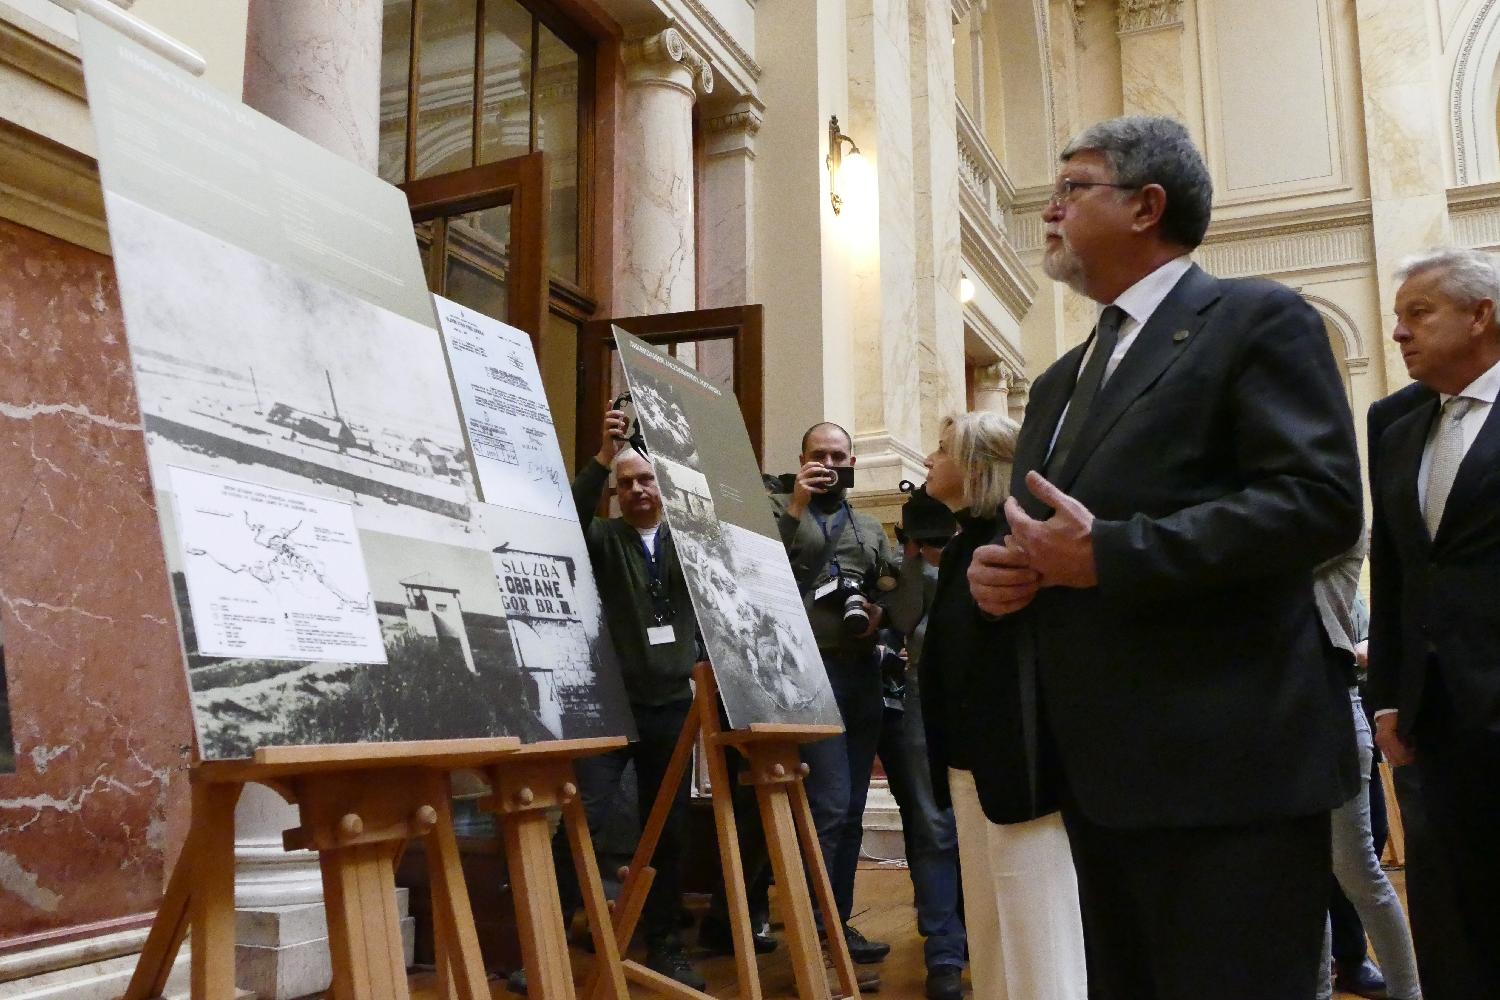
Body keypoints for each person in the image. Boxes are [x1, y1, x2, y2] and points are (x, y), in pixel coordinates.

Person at [967, 115, 1363, 999]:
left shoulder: (1256, 320)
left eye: (1072, 189)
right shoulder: (1060, 379)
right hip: (1102, 772)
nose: (1049, 210)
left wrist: (1114, 554)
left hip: (1230, 770)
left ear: (1147, 206)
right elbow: (1048, 532)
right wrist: (1003, 570)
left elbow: (1320, 504)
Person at [515, 408, 705, 993]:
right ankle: (542, 947)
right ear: (615, 493)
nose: (637, 490)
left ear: (662, 486)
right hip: (609, 705)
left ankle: (665, 944)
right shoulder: (601, 538)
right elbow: (565, 517)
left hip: (671, 706)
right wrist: (603, 456)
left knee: (668, 828)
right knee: (580, 819)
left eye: (646, 479)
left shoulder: (688, 543)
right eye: (625, 484)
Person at [917, 411, 1086, 1000]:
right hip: (971, 763)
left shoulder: (1015, 543)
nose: (929, 459)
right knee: (989, 931)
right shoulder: (961, 546)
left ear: (977, 464)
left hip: (1022, 768)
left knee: (1039, 934)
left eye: (942, 449)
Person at [1368, 247, 1500, 998]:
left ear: (1480, 315)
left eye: (1419, 314)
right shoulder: (1394, 423)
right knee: (1448, 910)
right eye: (1397, 317)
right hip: (1433, 716)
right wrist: (1388, 694)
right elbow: (1397, 568)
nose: (1399, 333)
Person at [771, 421, 909, 974]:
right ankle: (814, 930)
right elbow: (758, 568)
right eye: (818, 455)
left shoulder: (869, 526)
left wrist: (880, 616)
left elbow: (895, 592)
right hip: (805, 672)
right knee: (827, 806)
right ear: (802, 458)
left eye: (837, 456)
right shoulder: (781, 510)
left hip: (859, 674)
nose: (828, 464)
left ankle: (836, 921)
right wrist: (797, 504)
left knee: (850, 809)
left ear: (852, 462)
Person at [1312, 539, 1422, 1000]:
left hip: (1334, 709)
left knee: (1357, 869)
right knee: (1304, 882)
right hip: (1275, 722)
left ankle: (1407, 991)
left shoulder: (1333, 533)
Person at [878, 483, 967, 1000]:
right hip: (921, 689)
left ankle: (977, 933)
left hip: (980, 689)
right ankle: (944, 954)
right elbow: (905, 618)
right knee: (933, 824)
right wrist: (914, 556)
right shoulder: (908, 556)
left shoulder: (988, 531)